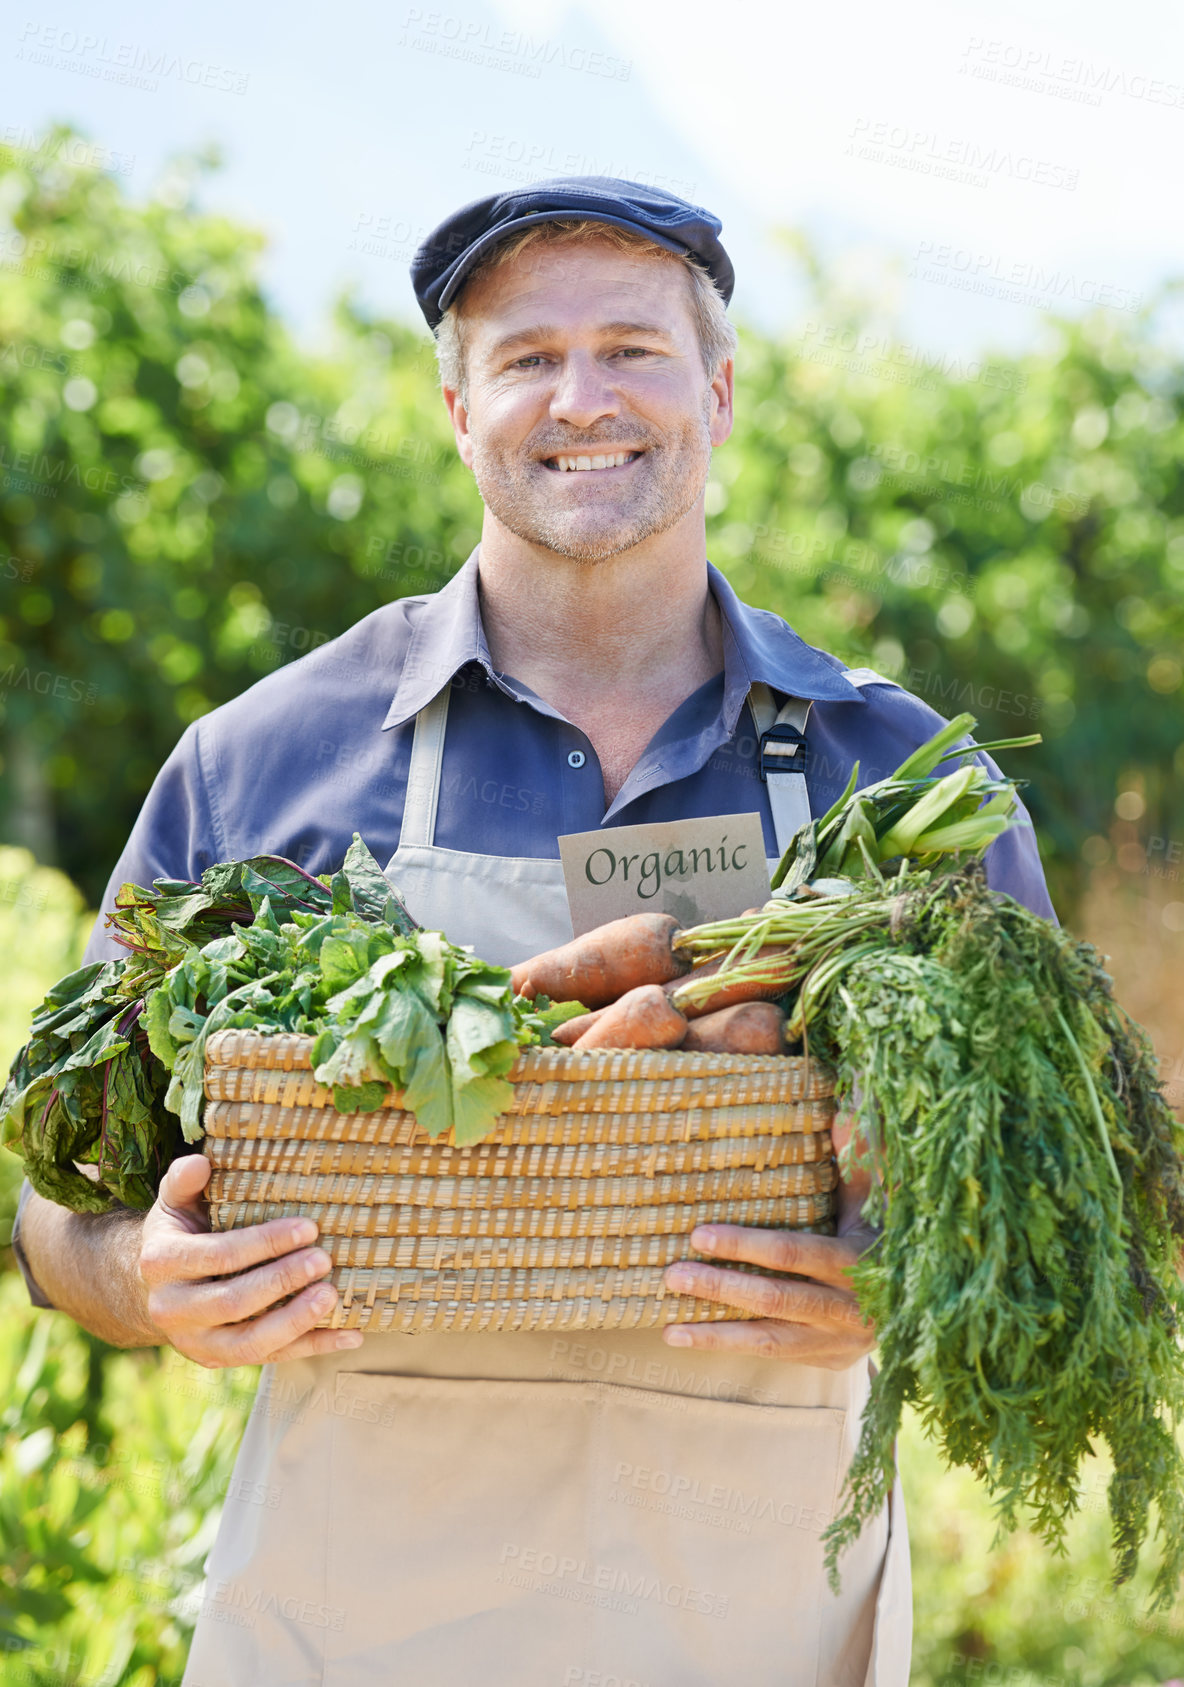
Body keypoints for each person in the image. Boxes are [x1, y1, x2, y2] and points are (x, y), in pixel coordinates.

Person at [13, 177, 1055, 1686]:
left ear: (719, 388)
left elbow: (1054, 1227)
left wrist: (911, 1282)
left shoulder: (902, 778)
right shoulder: (264, 762)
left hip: (753, 1624)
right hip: (355, 1623)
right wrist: (143, 1280)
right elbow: (51, 1219)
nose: (583, 399)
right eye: (526, 357)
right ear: (456, 404)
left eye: (633, 347)